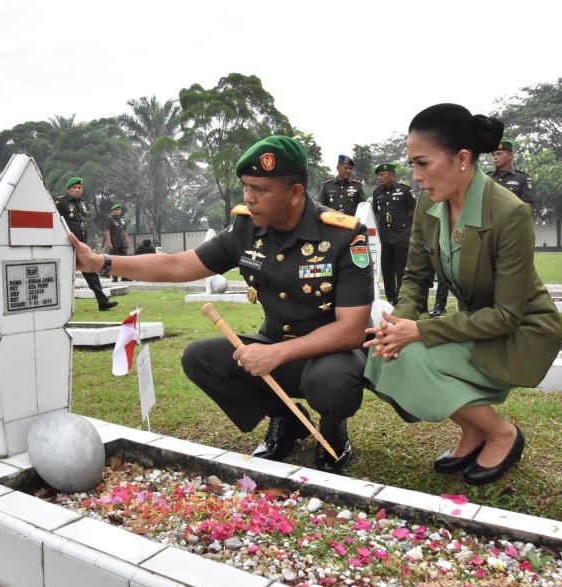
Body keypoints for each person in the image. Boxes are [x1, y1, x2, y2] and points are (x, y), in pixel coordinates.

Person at [68, 136, 374, 473]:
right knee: (200, 359)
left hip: (330, 354)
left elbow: (351, 330)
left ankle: (332, 430)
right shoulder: (246, 228)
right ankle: (286, 419)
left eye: (259, 189)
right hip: (272, 345)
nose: (248, 198)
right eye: (246, 187)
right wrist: (102, 263)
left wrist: (276, 353)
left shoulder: (344, 235)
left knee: (333, 381)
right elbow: (178, 265)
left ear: (295, 193)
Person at [363, 104, 562, 486]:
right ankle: (474, 430)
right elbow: (415, 277)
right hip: (477, 324)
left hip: (521, 330)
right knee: (386, 350)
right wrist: (398, 323)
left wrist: (419, 331)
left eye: (423, 163)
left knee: (412, 354)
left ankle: (502, 434)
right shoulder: (428, 203)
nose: (416, 177)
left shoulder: (508, 213)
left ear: (462, 159)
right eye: (412, 165)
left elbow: (506, 315)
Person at [55, 177, 118, 311]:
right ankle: (60, 306)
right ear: (69, 189)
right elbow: (54, 221)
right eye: (75, 188)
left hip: (82, 243)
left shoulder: (82, 203)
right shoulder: (61, 202)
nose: (78, 190)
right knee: (63, 274)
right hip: (66, 245)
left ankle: (103, 302)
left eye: (80, 187)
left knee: (91, 270)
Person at [371, 163, 416, 304]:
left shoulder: (404, 190)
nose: (379, 178)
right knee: (387, 270)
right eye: (378, 175)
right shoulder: (377, 193)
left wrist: (410, 229)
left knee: (401, 270)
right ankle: (391, 299)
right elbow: (376, 213)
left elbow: (413, 211)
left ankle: (402, 298)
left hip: (401, 236)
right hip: (384, 237)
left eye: (382, 175)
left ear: (392, 175)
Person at [486, 140, 534, 209]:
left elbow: (526, 206)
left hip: (513, 215)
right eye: (494, 155)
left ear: (510, 155)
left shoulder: (522, 178)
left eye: (499, 154)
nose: (495, 157)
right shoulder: (486, 177)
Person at [103, 203, 129, 282]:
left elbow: (125, 231)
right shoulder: (110, 220)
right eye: (116, 210)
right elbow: (107, 232)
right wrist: (109, 243)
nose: (118, 211)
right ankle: (115, 277)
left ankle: (125, 276)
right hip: (114, 244)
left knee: (124, 261)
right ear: (113, 211)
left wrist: (127, 241)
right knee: (114, 261)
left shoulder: (122, 220)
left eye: (119, 210)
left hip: (123, 243)